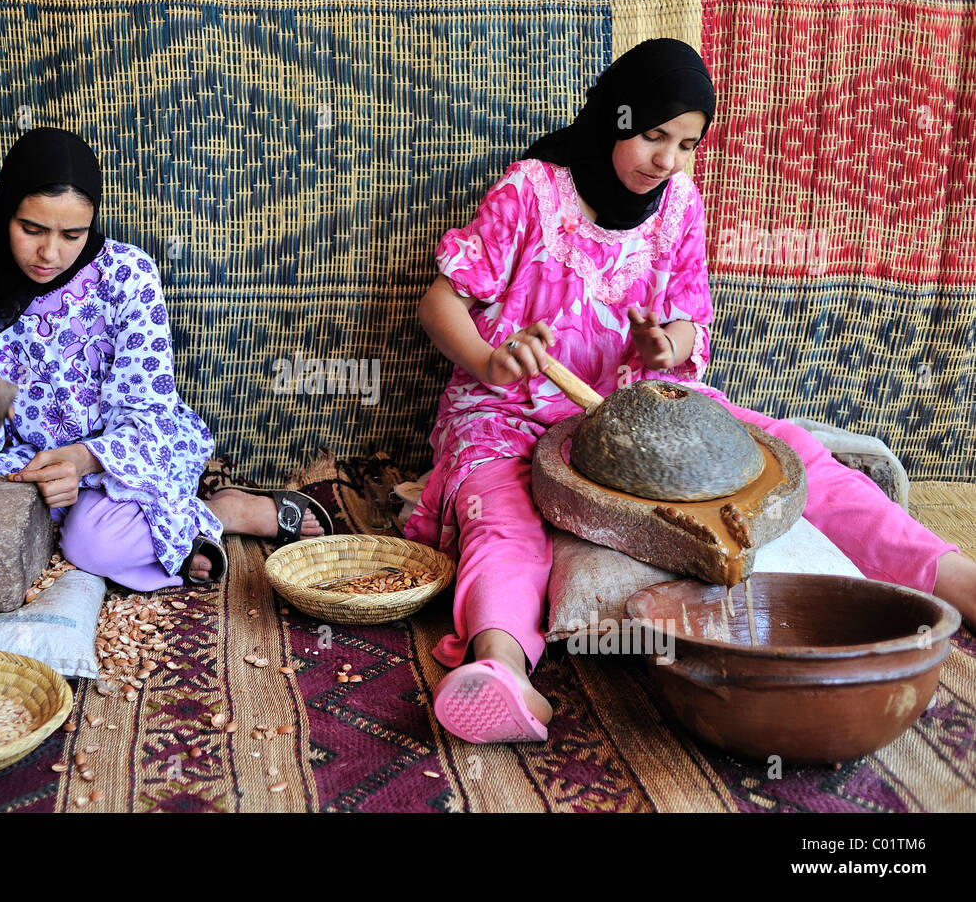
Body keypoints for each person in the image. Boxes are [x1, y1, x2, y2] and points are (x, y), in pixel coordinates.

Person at [406, 38, 976, 744]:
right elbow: (440, 303)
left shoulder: (679, 205)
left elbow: (690, 325)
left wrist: (664, 347)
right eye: (652, 135)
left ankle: (957, 582)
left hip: (646, 417)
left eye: (686, 144)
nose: (666, 160)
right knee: (504, 520)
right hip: (509, 413)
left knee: (790, 458)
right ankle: (500, 673)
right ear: (615, 118)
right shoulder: (531, 192)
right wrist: (492, 361)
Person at [0, 127, 330, 591]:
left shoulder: (127, 277)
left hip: (116, 458)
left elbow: (148, 412)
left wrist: (81, 459)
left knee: (94, 545)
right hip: (21, 467)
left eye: (72, 234)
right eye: (31, 229)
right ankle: (94, 528)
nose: (49, 253)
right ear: (5, 211)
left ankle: (222, 511)